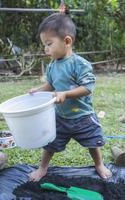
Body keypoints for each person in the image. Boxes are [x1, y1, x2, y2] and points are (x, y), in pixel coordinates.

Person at [29, 12, 112, 182]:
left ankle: (99, 165)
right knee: (50, 144)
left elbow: (87, 87)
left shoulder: (79, 64)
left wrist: (66, 94)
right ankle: (42, 168)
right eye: (44, 45)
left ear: (67, 41)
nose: (45, 49)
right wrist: (38, 90)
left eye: (49, 44)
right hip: (61, 116)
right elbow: (51, 85)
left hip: (83, 116)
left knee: (92, 143)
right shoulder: (52, 66)